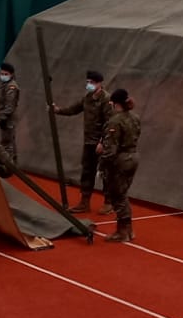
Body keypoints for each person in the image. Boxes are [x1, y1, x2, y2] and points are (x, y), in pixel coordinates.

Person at [52, 69, 110, 213]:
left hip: (102, 143)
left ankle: (109, 203)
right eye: (88, 82)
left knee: (105, 173)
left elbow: (110, 123)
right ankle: (85, 202)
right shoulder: (88, 97)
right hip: (89, 142)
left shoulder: (106, 100)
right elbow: (74, 109)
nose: (89, 85)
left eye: (92, 82)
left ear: (99, 83)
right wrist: (58, 110)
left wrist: (102, 142)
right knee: (87, 171)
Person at [97, 88, 141, 244]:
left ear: (114, 103)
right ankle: (127, 229)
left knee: (117, 195)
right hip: (133, 157)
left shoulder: (115, 121)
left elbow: (111, 148)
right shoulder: (135, 118)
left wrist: (102, 165)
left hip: (120, 160)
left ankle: (123, 231)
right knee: (123, 193)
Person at [0, 61, 21, 168]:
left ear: (11, 74)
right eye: (2, 74)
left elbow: (9, 107)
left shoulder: (11, 87)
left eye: (5, 74)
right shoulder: (5, 85)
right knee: (8, 140)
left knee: (7, 142)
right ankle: (13, 163)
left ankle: (10, 165)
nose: (3, 76)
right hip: (4, 118)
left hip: (8, 119)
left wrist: (0, 119)